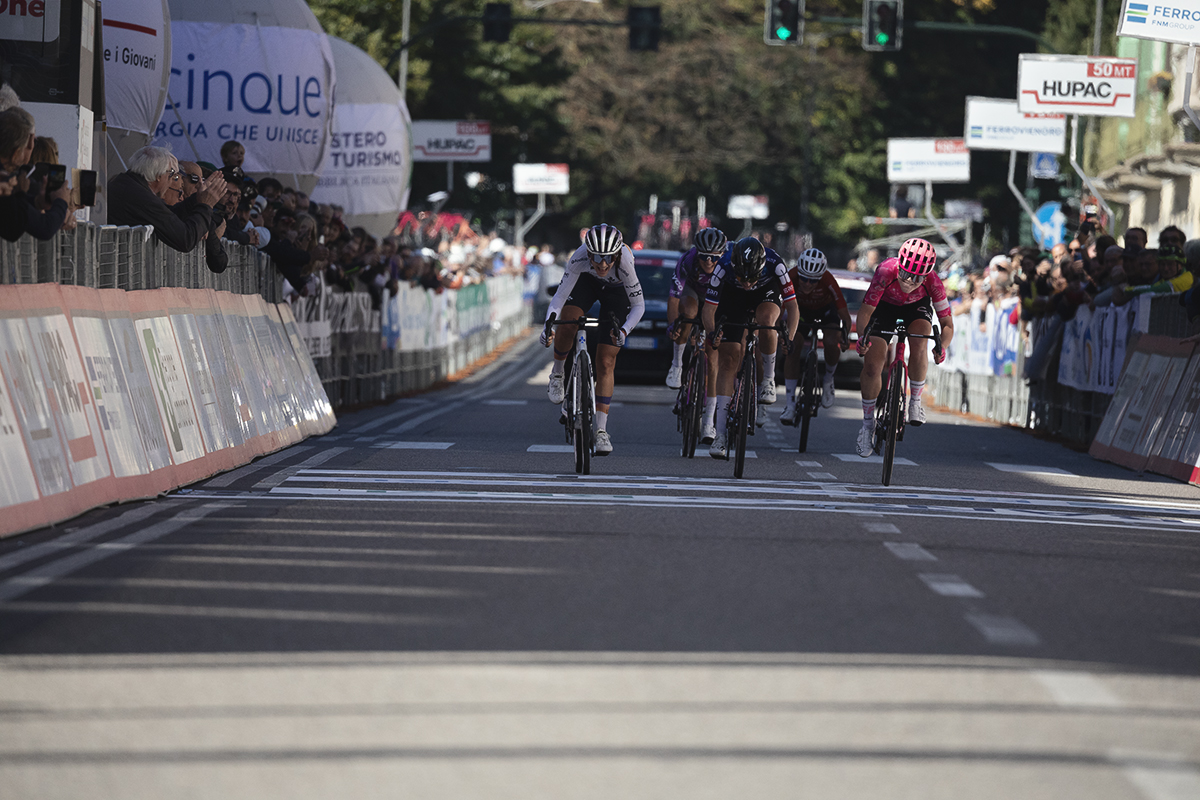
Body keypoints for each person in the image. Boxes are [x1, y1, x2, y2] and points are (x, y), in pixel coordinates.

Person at [540, 224, 645, 456]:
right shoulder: (578, 259)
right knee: (568, 319)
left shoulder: (625, 261)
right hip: (586, 285)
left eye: (609, 258)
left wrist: (624, 331)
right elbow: (559, 297)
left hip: (616, 293)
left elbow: (638, 306)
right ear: (588, 253)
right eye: (597, 258)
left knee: (606, 361)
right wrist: (549, 324)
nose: (603, 264)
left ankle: (601, 431)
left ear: (617, 254)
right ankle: (558, 373)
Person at [700, 236, 800, 459]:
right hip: (732, 298)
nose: (746, 282)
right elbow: (708, 309)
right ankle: (721, 435)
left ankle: (768, 380)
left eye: (751, 277)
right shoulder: (723, 265)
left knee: (766, 320)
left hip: (765, 293)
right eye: (741, 277)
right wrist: (711, 333)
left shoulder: (776, 264)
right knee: (728, 361)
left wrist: (790, 337)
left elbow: (792, 306)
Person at [854, 237, 954, 458]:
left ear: (926, 275)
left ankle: (915, 401)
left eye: (917, 278)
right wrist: (863, 338)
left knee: (920, 342)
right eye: (905, 274)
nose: (909, 281)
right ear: (899, 265)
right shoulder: (885, 272)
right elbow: (865, 312)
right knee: (872, 363)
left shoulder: (934, 282)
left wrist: (942, 346)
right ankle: (867, 425)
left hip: (915, 308)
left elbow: (947, 325)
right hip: (885, 307)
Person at [665, 226, 728, 442]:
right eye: (704, 256)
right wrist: (674, 326)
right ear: (696, 253)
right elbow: (674, 298)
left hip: (716, 302)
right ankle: (677, 364)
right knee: (688, 313)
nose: (709, 261)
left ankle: (709, 422)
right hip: (692, 294)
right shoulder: (687, 261)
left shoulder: (728, 264)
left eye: (714, 257)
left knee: (713, 361)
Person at [107, 146, 227, 252]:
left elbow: (169, 214)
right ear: (159, 176)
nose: (172, 182)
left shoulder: (128, 185)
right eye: (172, 176)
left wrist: (197, 199)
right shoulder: (139, 196)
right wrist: (205, 205)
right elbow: (185, 239)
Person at [781, 248, 852, 422]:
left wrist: (846, 335)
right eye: (804, 278)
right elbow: (778, 308)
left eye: (812, 281)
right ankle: (790, 405)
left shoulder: (828, 279)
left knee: (831, 340)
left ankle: (828, 379)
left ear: (820, 277)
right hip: (801, 311)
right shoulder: (791, 276)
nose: (806, 284)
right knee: (793, 346)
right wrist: (780, 334)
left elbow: (844, 314)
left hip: (826, 311)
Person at [0, 108, 72, 242]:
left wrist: (36, 202)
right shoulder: (7, 180)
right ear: (16, 153)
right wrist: (61, 202)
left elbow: (13, 221)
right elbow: (44, 228)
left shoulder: (7, 180)